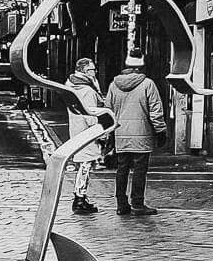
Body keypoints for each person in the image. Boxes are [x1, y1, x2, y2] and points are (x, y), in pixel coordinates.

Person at [105, 48, 167, 215]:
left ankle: (121, 204)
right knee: (140, 169)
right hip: (142, 134)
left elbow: (107, 111)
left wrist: (109, 133)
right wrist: (160, 131)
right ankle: (138, 203)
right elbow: (155, 111)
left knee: (122, 168)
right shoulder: (148, 84)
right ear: (141, 66)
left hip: (120, 133)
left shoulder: (113, 85)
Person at [65, 54, 108, 215]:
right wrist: (101, 134)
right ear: (84, 71)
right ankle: (80, 198)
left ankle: (80, 197)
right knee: (86, 165)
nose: (95, 73)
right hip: (88, 132)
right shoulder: (87, 91)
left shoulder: (71, 86)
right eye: (92, 70)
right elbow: (92, 116)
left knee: (84, 164)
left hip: (76, 129)